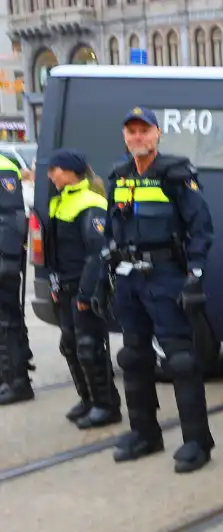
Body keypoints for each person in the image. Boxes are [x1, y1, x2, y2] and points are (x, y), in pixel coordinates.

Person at [106, 107, 215, 473]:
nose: (138, 137)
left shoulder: (176, 174)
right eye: (131, 131)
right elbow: (110, 229)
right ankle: (145, 434)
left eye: (144, 131)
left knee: (181, 361)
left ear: (157, 135)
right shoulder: (118, 176)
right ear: (125, 136)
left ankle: (197, 442)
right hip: (128, 278)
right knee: (134, 357)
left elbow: (201, 227)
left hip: (165, 275)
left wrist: (195, 274)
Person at [44, 149, 122, 428]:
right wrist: (53, 282)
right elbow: (55, 250)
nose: (51, 175)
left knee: (89, 346)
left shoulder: (90, 203)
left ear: (70, 171)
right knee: (70, 345)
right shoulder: (61, 201)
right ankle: (88, 399)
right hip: (65, 286)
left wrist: (87, 294)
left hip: (83, 287)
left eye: (56, 169)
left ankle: (107, 405)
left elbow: (97, 253)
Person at [0, 149, 31, 406]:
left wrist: (8, 259)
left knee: (7, 322)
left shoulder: (3, 167)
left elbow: (12, 217)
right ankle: (6, 377)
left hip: (3, 258)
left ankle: (17, 381)